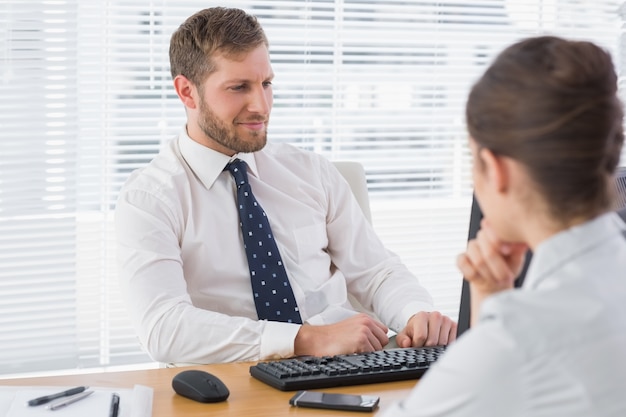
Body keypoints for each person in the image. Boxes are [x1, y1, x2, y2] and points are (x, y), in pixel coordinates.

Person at [115, 6, 456, 365]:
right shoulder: (149, 199)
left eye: (266, 84)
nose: (261, 106)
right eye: (239, 87)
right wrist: (304, 339)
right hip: (232, 382)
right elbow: (164, 328)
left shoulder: (311, 172)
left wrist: (415, 313)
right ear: (187, 92)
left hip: (343, 369)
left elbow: (376, 271)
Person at [381, 36, 626, 416]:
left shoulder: (519, 342)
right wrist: (490, 299)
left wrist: (492, 332)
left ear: (496, 170)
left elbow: (497, 373)